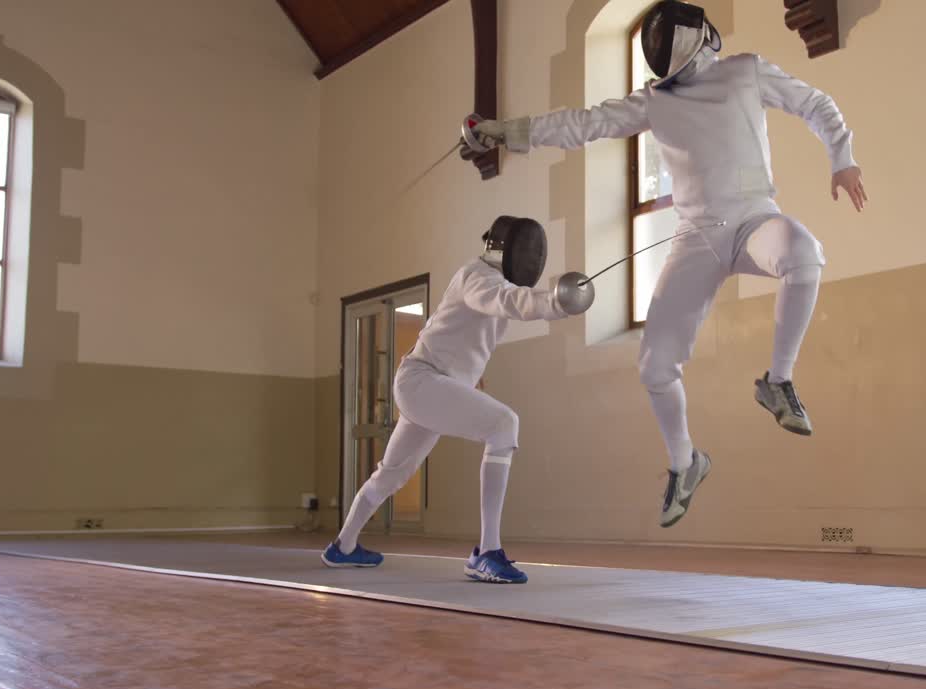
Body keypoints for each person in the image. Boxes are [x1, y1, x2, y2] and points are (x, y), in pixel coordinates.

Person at [469, 0, 868, 528]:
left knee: (804, 254)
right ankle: (685, 463)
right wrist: (506, 131)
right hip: (696, 236)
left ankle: (778, 380)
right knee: (655, 366)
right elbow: (582, 125)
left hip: (754, 221)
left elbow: (816, 104)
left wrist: (843, 159)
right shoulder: (655, 100)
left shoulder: (745, 71)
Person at [321, 216, 591, 583]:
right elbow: (505, 301)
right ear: (503, 248)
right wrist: (554, 303)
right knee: (503, 424)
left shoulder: (490, 279)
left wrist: (472, 378)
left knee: (393, 473)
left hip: (431, 384)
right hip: (423, 381)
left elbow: (469, 335)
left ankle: (344, 546)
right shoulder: (477, 277)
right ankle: (487, 552)